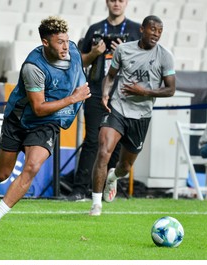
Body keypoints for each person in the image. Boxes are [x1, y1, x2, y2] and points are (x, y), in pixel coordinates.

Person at [0, 16, 91, 234]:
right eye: (59, 42)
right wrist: (73, 99)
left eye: (66, 40)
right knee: (1, 174)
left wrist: (95, 55)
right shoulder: (33, 67)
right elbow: (38, 108)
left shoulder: (72, 50)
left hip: (47, 123)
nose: (65, 46)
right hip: (20, 120)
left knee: (32, 166)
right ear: (45, 43)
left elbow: (80, 62)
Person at [89, 15, 176, 216]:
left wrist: (144, 91)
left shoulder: (165, 56)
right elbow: (111, 76)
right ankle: (96, 204)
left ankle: (113, 177)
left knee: (125, 167)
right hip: (118, 108)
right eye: (152, 29)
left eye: (159, 31)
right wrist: (104, 93)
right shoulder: (123, 50)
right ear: (142, 29)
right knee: (103, 151)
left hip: (141, 115)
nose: (156, 34)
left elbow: (170, 89)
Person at [67, 0, 142, 201]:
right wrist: (94, 53)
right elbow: (80, 61)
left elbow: (144, 62)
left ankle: (107, 186)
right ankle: (79, 189)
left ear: (126, 3)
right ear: (107, 2)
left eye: (121, 0)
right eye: (112, 0)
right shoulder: (96, 28)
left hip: (124, 92)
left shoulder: (136, 30)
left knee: (117, 144)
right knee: (92, 140)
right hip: (97, 89)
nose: (116, 4)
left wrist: (125, 51)